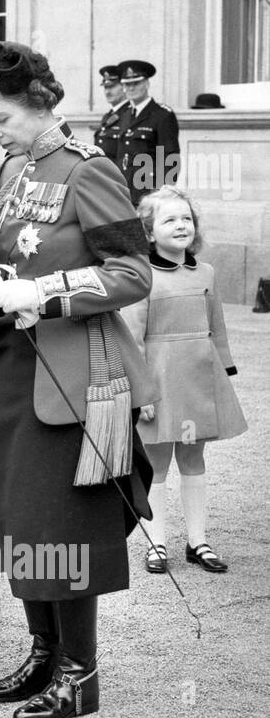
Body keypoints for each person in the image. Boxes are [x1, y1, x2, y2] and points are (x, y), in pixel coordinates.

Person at [0, 1, 156, 718]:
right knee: (26, 521)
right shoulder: (11, 171)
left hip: (79, 376)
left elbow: (133, 274)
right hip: (17, 373)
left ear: (39, 103)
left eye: (0, 119)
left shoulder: (90, 171)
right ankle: (44, 651)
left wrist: (48, 293)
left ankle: (80, 675)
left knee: (66, 525)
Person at [122, 187, 246, 575]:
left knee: (193, 458)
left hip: (200, 379)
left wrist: (224, 370)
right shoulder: (141, 276)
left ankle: (198, 541)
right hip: (159, 382)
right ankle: (156, 543)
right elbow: (132, 337)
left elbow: (216, 327)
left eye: (186, 218)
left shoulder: (205, 272)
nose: (181, 226)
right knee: (157, 461)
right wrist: (140, 394)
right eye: (169, 219)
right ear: (148, 231)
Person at [116, 60, 180, 204]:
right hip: (124, 193)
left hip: (149, 195)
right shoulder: (124, 115)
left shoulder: (162, 115)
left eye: (136, 83)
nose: (131, 88)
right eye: (127, 84)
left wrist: (160, 195)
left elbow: (170, 159)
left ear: (146, 84)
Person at [92, 62, 131, 164]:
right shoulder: (108, 116)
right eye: (105, 87)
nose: (107, 92)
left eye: (112, 87)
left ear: (124, 87)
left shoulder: (131, 114)